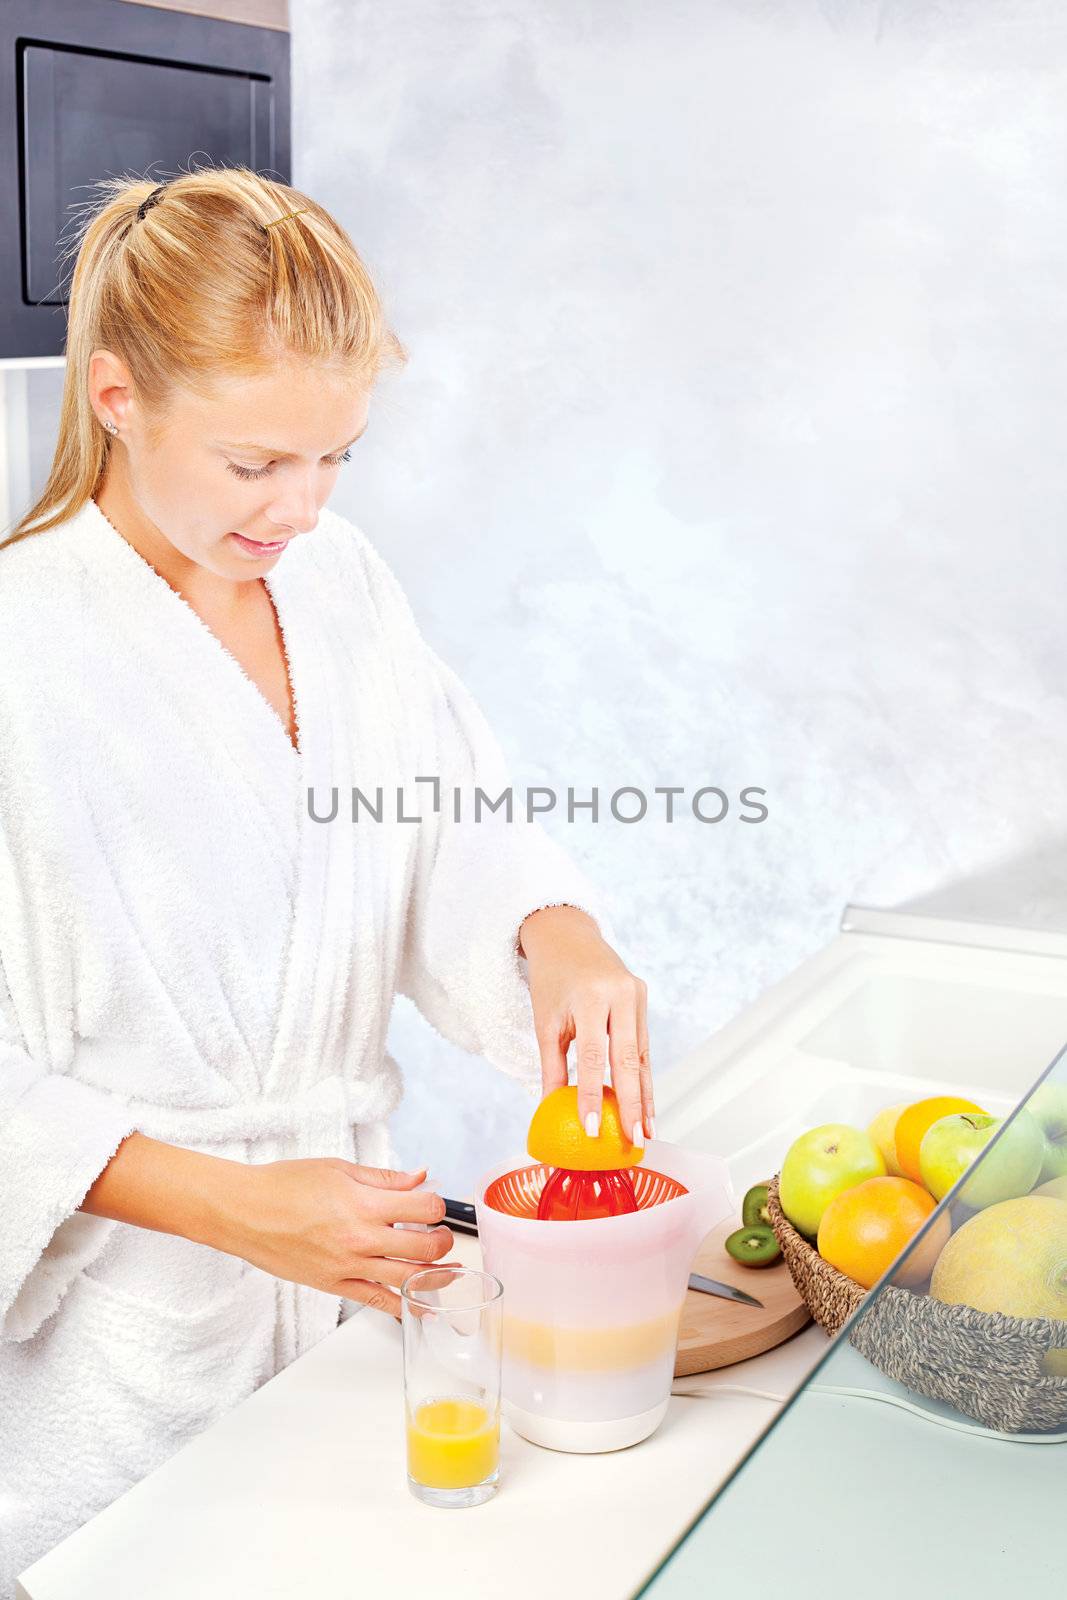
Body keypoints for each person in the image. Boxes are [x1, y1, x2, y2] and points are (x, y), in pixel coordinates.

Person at [0, 167, 654, 1589]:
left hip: (354, 1313)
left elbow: (449, 817)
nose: (300, 507)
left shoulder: (340, 581)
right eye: (254, 465)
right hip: (123, 1361)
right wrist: (226, 1202)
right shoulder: (16, 649)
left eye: (335, 458)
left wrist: (552, 929)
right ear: (116, 397)